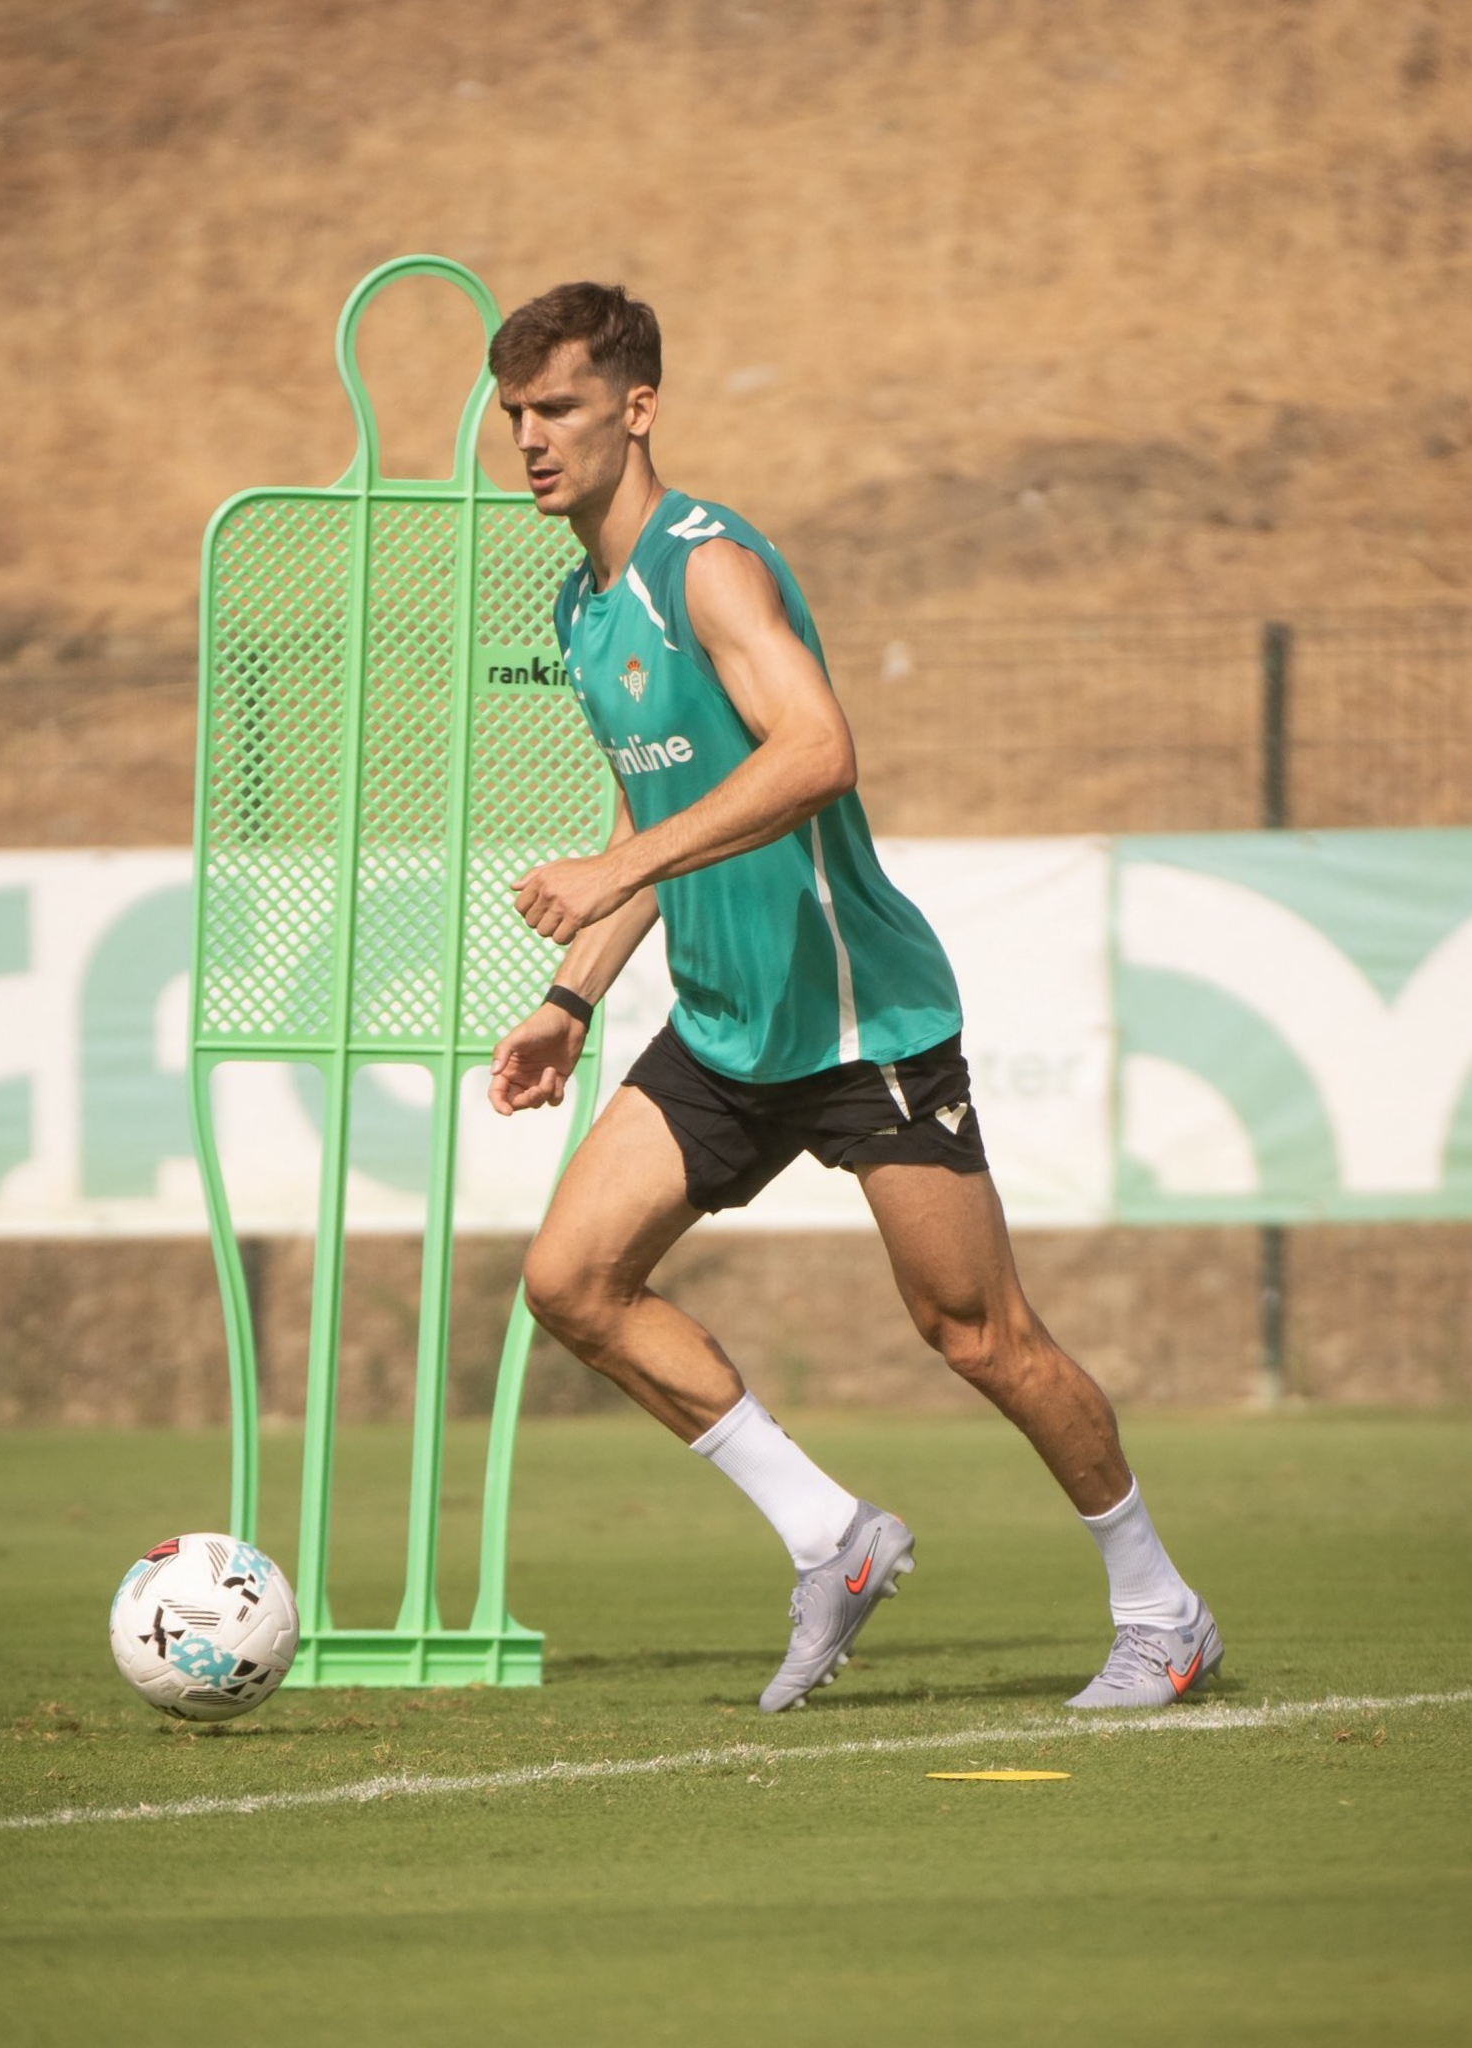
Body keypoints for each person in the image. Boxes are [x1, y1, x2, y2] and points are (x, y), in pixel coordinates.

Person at [484, 281, 1222, 1715]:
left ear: (636, 409)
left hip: (853, 1021)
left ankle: (1161, 1609)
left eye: (557, 407)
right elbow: (683, 812)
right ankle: (832, 1537)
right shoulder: (581, 609)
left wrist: (619, 858)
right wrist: (572, 998)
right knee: (569, 1283)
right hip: (721, 1022)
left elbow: (817, 749)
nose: (528, 438)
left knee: (975, 1335)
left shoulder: (708, 567)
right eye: (513, 413)